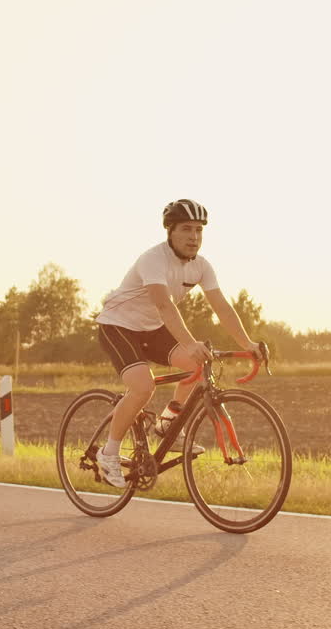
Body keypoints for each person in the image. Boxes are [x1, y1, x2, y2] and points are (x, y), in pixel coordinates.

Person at [93, 199, 265, 488]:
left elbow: (222, 307)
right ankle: (108, 453)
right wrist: (190, 342)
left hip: (152, 329)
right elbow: (164, 305)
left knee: (196, 364)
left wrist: (247, 342)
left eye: (199, 230)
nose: (194, 237)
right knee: (143, 387)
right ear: (170, 232)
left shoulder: (201, 266)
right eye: (186, 229)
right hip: (118, 324)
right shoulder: (154, 259)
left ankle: (166, 422)